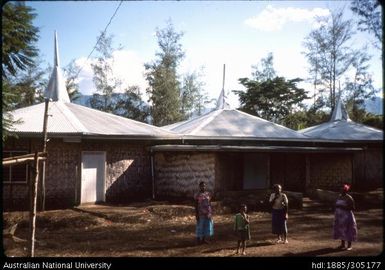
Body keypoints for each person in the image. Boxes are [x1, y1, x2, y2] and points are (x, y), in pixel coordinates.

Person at [333, 183, 357, 250]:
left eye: (343, 190)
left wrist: (343, 207)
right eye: (340, 190)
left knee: (348, 229)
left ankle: (349, 246)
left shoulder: (349, 198)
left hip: (347, 216)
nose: (341, 191)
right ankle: (342, 244)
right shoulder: (339, 196)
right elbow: (336, 204)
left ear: (346, 191)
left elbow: (353, 208)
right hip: (340, 216)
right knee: (341, 229)